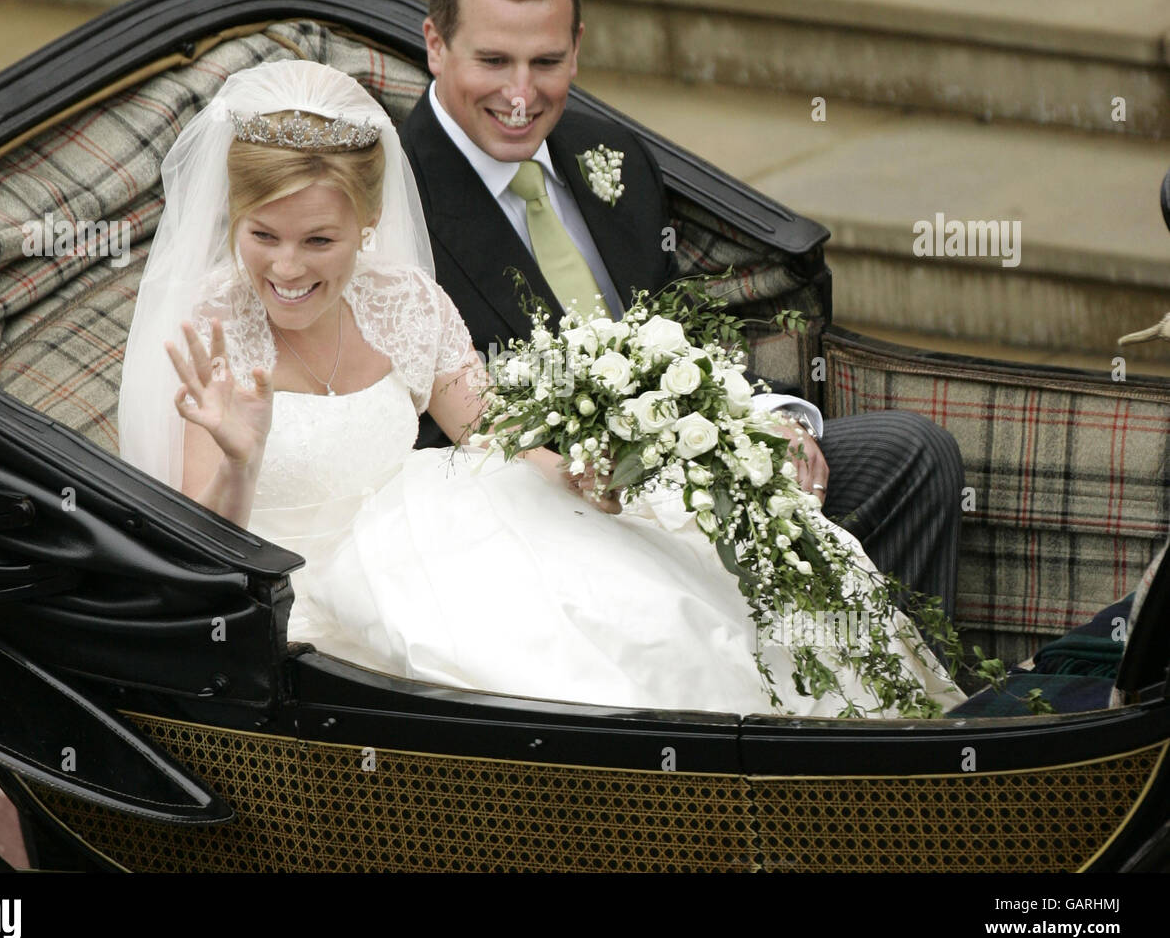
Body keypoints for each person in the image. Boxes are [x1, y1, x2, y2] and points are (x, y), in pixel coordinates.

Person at [117, 57, 963, 718]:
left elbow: (495, 432)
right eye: (263, 235)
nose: (288, 268)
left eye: (319, 240)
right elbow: (208, 563)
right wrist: (239, 452)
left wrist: (595, 472)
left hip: (441, 530)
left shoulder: (406, 301)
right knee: (565, 670)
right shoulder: (213, 330)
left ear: (366, 227)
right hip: (321, 596)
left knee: (662, 598)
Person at [398, 0, 965, 617]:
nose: (521, 95)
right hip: (536, 523)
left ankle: (900, 719)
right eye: (493, 61)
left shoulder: (613, 155)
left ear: (577, 49)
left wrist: (768, 420)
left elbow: (680, 334)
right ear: (435, 44)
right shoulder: (391, 193)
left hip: (688, 463)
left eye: (545, 62)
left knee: (916, 454)